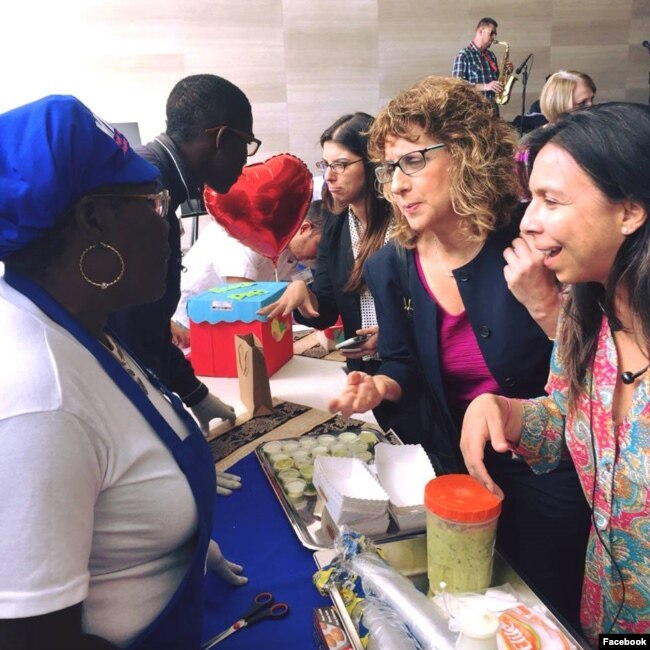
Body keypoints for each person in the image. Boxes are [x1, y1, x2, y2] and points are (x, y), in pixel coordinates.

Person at [328, 76, 591, 631]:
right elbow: (401, 362)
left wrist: (547, 306)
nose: (396, 185)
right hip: (457, 468)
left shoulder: (535, 243)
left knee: (551, 613)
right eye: (388, 169)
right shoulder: (391, 264)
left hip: (550, 474)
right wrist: (382, 385)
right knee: (473, 606)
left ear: (468, 153)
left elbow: (602, 369)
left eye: (413, 161)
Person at [0, 95, 246, 649]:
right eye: (156, 206)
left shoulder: (84, 324)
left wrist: (164, 540)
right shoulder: (42, 399)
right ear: (94, 222)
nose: (171, 230)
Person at [460, 102, 650, 643]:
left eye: (551, 200)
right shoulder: (588, 321)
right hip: (605, 612)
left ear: (629, 211)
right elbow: (564, 424)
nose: (528, 221)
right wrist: (503, 410)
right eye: (530, 199)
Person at [109, 74, 261, 436]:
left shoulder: (152, 177)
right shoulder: (146, 194)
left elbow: (147, 325)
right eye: (247, 144)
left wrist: (194, 393)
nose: (245, 161)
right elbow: (131, 333)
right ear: (223, 139)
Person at [258, 112, 405, 431]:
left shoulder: (404, 223)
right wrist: (302, 293)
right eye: (325, 166)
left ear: (371, 162)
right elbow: (325, 310)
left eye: (341, 164)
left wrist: (392, 335)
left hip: (412, 366)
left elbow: (434, 303)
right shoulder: (336, 226)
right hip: (363, 369)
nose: (330, 176)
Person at [170, 200, 325, 346]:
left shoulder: (296, 251)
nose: (320, 255)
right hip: (193, 319)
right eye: (319, 245)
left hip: (229, 320)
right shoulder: (253, 231)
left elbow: (312, 307)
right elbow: (244, 299)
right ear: (304, 229)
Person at [452, 17, 511, 109]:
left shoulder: (491, 55)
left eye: (495, 34)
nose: (494, 37)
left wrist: (507, 72)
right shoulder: (464, 55)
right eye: (491, 33)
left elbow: (497, 82)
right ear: (480, 31)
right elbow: (457, 85)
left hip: (492, 108)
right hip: (474, 110)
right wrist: (485, 86)